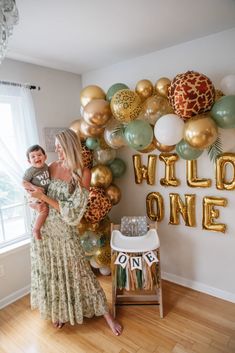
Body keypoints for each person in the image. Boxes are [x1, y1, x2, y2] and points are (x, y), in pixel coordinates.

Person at [29, 128, 122, 335]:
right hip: (44, 230)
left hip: (64, 231)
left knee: (81, 273)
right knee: (52, 274)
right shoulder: (51, 166)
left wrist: (44, 199)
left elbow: (73, 211)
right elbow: (37, 193)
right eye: (55, 149)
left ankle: (107, 315)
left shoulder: (83, 173)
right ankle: (59, 311)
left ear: (70, 148)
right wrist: (35, 202)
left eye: (60, 149)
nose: (58, 153)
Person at [23, 144, 50, 240]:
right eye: (33, 156)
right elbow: (24, 182)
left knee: (46, 206)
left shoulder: (46, 166)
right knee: (44, 210)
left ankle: (35, 205)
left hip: (41, 195)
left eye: (39, 155)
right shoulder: (31, 171)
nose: (36, 158)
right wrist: (35, 188)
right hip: (34, 195)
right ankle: (36, 229)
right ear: (29, 161)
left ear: (45, 157)